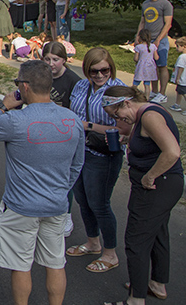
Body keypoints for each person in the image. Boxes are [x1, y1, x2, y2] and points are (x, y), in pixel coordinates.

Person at [0, 61, 85, 305]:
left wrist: (2, 107)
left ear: (24, 86)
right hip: (56, 205)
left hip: (20, 206)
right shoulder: (73, 120)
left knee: (21, 265)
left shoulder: (15, 120)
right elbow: (77, 164)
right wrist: (62, 191)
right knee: (55, 263)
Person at [99, 86, 183, 305]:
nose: (120, 120)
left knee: (136, 239)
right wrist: (129, 142)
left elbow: (172, 151)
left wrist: (150, 176)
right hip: (164, 186)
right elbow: (151, 144)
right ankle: (157, 283)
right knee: (157, 233)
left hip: (157, 186)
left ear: (127, 103)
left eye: (117, 114)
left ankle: (135, 300)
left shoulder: (149, 116)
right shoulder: (145, 114)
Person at [67, 47, 125, 274]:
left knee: (100, 203)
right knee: (82, 199)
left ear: (111, 67)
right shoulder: (81, 85)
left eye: (105, 70)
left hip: (104, 154)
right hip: (81, 150)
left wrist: (88, 125)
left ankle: (110, 254)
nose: (100, 75)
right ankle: (93, 243)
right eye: (94, 71)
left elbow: (123, 127)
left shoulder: (117, 89)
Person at [42, 42, 81, 110]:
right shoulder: (38, 75)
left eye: (55, 60)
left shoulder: (74, 81)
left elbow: (76, 110)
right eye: (47, 59)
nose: (51, 64)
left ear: (64, 60)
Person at [133, 29, 158, 100]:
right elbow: (156, 57)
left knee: (136, 82)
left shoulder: (138, 47)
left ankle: (131, 95)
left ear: (140, 37)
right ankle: (147, 98)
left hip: (141, 67)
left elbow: (136, 59)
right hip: (150, 67)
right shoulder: (153, 46)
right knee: (147, 84)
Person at [170, 36, 186, 113]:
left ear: (184, 47)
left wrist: (178, 78)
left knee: (183, 93)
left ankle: (178, 105)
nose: (176, 48)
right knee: (179, 92)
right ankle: (177, 104)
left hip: (182, 79)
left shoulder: (182, 57)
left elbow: (181, 68)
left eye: (178, 46)